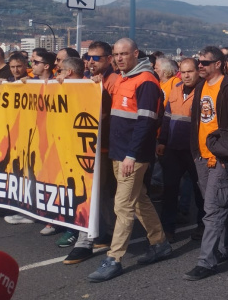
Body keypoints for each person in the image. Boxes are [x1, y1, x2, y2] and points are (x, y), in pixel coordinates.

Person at [88, 38, 171, 283]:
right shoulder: (123, 78)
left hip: (131, 156)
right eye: (116, 54)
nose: (119, 58)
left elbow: (146, 123)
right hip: (120, 152)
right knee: (139, 200)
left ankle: (114, 259)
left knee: (122, 206)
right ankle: (160, 243)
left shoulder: (146, 82)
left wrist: (131, 155)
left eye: (124, 54)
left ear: (135, 53)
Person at [184, 47, 228, 281]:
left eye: (205, 62)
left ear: (218, 64)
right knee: (215, 205)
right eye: (199, 62)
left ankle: (207, 261)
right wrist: (196, 152)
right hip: (201, 156)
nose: (200, 66)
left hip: (221, 158)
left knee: (213, 209)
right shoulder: (201, 86)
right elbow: (197, 121)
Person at [63, 41, 118, 265]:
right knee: (101, 193)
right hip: (89, 146)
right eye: (89, 57)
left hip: (103, 147)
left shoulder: (113, 81)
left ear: (109, 59)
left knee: (93, 193)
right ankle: (105, 232)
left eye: (97, 58)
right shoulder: (90, 81)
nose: (91, 62)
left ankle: (86, 241)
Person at [157, 58, 205, 242]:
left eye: (190, 72)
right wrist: (162, 140)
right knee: (169, 190)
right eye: (183, 72)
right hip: (173, 149)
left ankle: (202, 225)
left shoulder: (204, 90)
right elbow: (167, 116)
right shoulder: (176, 89)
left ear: (197, 72)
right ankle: (168, 229)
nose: (186, 76)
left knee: (199, 190)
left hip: (195, 151)